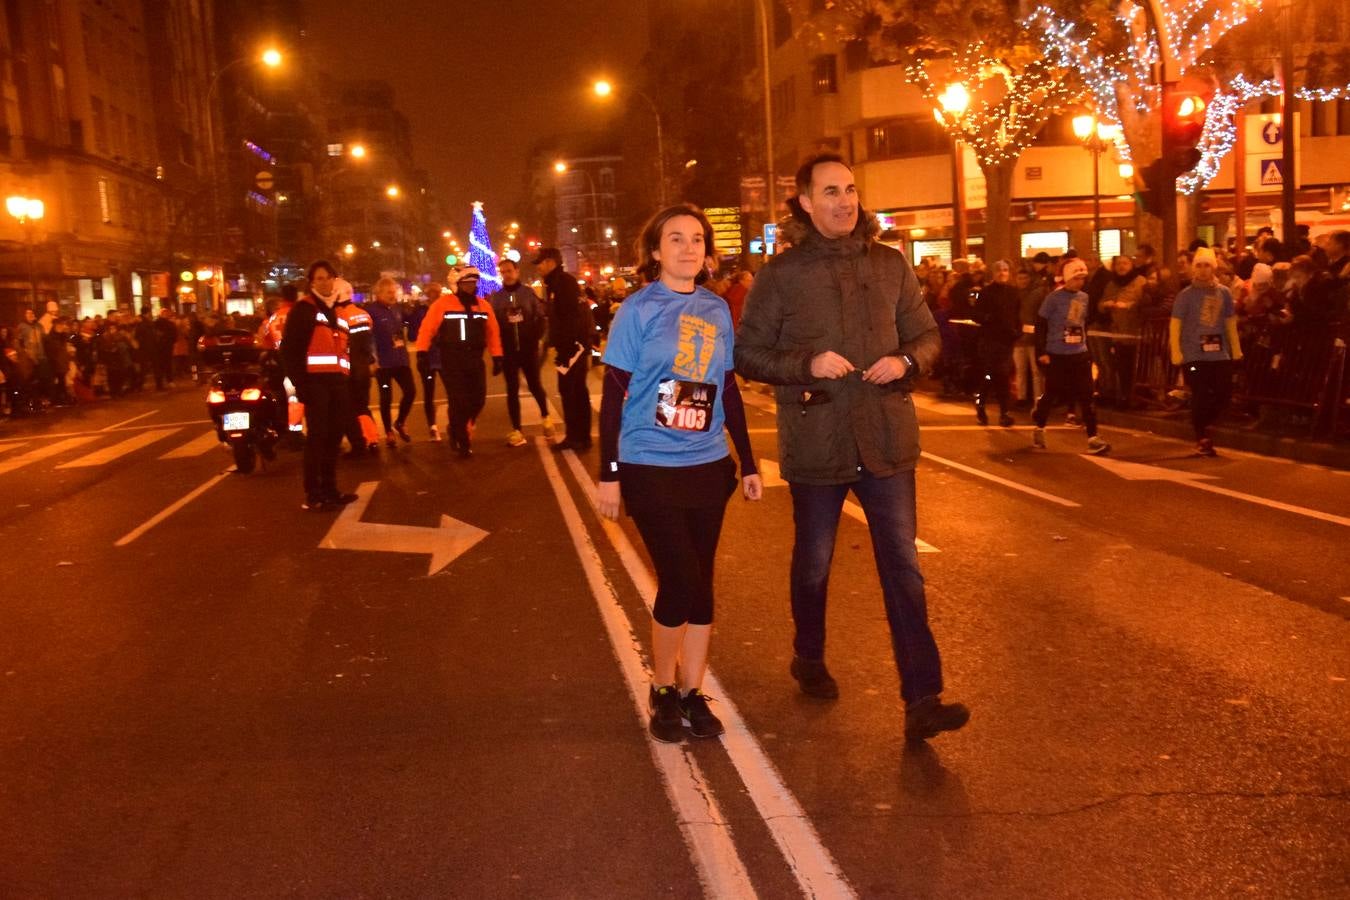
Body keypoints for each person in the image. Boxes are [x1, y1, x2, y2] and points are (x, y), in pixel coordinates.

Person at [735, 152, 969, 742]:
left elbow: (927, 336)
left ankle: (923, 698)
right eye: (830, 192)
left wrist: (907, 360)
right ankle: (808, 655)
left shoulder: (890, 265)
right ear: (806, 203)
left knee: (904, 570)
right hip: (818, 441)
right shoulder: (782, 275)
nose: (844, 201)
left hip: (887, 438)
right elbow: (748, 353)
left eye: (850, 190)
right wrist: (806, 364)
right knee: (814, 564)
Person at [597, 203, 762, 743]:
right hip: (649, 462)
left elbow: (728, 388)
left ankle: (692, 691)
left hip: (707, 463)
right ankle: (662, 687)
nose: (688, 247)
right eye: (675, 239)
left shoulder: (716, 310)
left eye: (697, 239)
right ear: (655, 251)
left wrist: (749, 462)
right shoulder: (638, 311)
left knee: (702, 582)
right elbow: (614, 396)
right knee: (679, 578)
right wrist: (610, 472)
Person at [281, 260, 358, 511]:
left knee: (334, 437)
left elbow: (342, 350)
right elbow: (290, 350)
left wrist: (346, 380)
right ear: (312, 283)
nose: (324, 282)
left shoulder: (335, 310)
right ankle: (313, 493)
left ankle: (331, 489)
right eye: (318, 279)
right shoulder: (304, 310)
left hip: (336, 383)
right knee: (317, 438)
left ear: (335, 280)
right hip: (315, 384)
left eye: (328, 278)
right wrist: (300, 385)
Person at [415, 267, 503, 458]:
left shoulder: (483, 306)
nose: (470, 286)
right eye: (466, 283)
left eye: (473, 283)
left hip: (475, 359)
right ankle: (462, 441)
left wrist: (497, 356)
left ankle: (455, 426)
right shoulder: (443, 304)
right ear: (458, 284)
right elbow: (427, 328)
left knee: (478, 399)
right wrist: (421, 352)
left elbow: (492, 332)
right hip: (451, 359)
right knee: (459, 401)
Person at [1031, 258, 1111, 454]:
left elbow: (1084, 321)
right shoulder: (1053, 298)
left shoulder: (1084, 297)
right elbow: (1040, 324)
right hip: (1057, 354)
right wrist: (1041, 352)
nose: (1080, 283)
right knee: (1052, 393)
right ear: (1067, 278)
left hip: (1079, 353)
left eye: (1083, 279)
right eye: (1076, 279)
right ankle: (1040, 425)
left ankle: (1093, 437)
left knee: (1087, 394)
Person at [1170, 247, 1242, 457]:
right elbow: (1175, 325)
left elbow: (1230, 323)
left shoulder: (1224, 293)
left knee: (1224, 393)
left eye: (1207, 265)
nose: (1202, 270)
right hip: (1194, 354)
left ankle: (1208, 425)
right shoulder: (1185, 296)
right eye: (1199, 266)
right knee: (1200, 395)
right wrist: (1176, 352)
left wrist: (1235, 349)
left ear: (1214, 268)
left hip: (1219, 354)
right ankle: (1201, 436)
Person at [489, 257, 553, 447]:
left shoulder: (528, 293)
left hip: (527, 348)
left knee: (535, 385)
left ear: (517, 272)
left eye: (510, 271)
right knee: (512, 390)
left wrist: (535, 338)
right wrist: (497, 352)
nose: (507, 275)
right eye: (503, 272)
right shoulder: (497, 297)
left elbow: (541, 318)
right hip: (508, 351)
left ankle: (546, 417)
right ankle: (517, 429)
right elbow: (493, 326)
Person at [536, 247, 592, 451]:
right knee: (574, 391)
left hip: (572, 348)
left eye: (540, 263)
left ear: (551, 262)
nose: (538, 268)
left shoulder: (562, 283)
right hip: (570, 347)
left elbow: (571, 317)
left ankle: (577, 437)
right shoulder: (557, 283)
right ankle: (579, 436)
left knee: (572, 391)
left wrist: (567, 348)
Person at [367, 275, 415, 447]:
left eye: (394, 292)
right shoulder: (371, 311)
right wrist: (372, 360)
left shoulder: (396, 309)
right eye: (388, 292)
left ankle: (400, 422)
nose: (392, 295)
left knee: (411, 392)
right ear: (379, 293)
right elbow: (369, 338)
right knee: (386, 397)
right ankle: (388, 431)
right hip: (384, 363)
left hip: (401, 360)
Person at [971, 260, 1020, 426]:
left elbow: (1017, 314)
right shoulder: (986, 292)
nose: (1002, 273)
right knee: (990, 375)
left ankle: (1004, 412)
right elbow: (975, 315)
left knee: (1003, 376)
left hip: (1006, 341)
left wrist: (1017, 331)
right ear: (993, 273)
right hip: (989, 341)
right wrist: (989, 318)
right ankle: (981, 405)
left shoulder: (1014, 292)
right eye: (999, 270)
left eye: (1005, 270)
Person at [335, 280, 378, 456]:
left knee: (346, 408)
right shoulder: (363, 314)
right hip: (363, 368)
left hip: (346, 369)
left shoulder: (337, 316)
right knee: (362, 406)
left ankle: (358, 443)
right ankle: (372, 439)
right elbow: (367, 343)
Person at [406, 283, 444, 440]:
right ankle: (432, 427)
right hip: (427, 357)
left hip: (443, 357)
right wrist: (426, 335)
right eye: (431, 293)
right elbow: (412, 335)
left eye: (436, 292)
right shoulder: (419, 312)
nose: (433, 295)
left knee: (453, 391)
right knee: (429, 394)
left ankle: (454, 423)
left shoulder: (445, 309)